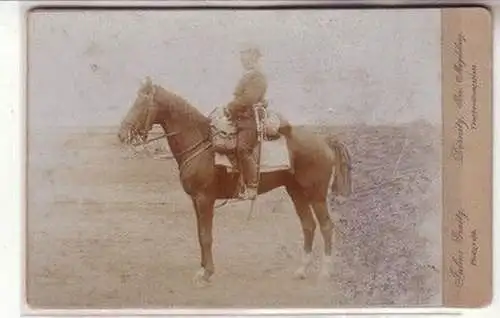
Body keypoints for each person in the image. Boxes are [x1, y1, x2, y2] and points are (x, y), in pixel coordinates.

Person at [226, 45, 268, 200]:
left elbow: (248, 99)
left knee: (243, 149)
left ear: (254, 57)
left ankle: (252, 186)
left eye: (246, 56)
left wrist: (230, 107)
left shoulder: (257, 77)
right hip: (240, 119)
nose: (243, 60)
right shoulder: (247, 75)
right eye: (242, 57)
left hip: (249, 121)